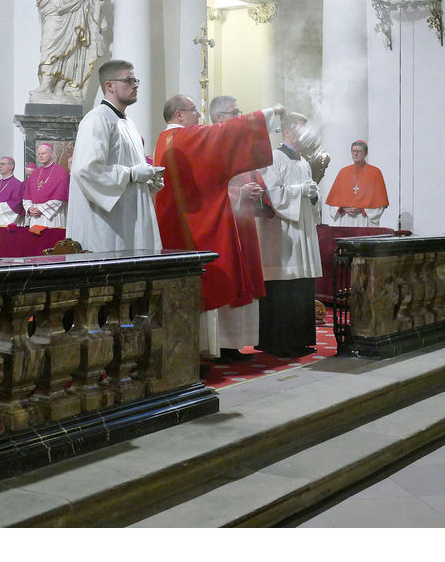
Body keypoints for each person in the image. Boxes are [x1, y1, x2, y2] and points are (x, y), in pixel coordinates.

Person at [154, 94, 285, 362]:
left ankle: (210, 349)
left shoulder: (166, 141)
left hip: (184, 224)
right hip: (197, 227)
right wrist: (267, 113)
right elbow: (222, 135)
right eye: (194, 112)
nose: (198, 117)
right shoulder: (182, 137)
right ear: (179, 115)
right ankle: (204, 351)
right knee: (209, 282)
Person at [66, 59, 163, 252]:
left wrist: (148, 182)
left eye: (136, 81)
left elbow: (131, 169)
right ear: (109, 85)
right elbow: (86, 170)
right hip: (106, 224)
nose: (135, 86)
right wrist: (132, 175)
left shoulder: (129, 124)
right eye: (129, 80)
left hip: (130, 217)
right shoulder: (96, 119)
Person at [255, 112, 324, 357]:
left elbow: (309, 198)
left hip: (302, 231)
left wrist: (314, 195)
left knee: (301, 284)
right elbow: (270, 195)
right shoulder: (274, 158)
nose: (305, 135)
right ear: (286, 132)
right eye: (300, 129)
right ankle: (278, 341)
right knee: (284, 286)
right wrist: (300, 190)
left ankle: (300, 339)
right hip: (282, 234)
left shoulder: (304, 161)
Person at [207, 95, 267, 362]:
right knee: (228, 279)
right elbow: (207, 189)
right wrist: (238, 195)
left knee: (247, 280)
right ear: (219, 118)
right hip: (224, 228)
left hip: (245, 225)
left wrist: (256, 192)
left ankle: (239, 342)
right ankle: (222, 344)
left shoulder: (241, 147)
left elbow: (255, 177)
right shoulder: (209, 147)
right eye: (235, 112)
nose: (239, 116)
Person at [21, 0, 109, 105]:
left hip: (74, 13)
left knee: (71, 53)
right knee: (49, 47)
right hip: (53, 12)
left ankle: (60, 88)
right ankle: (45, 87)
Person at [324, 140, 389, 227]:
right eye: (354, 151)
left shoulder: (375, 172)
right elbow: (334, 201)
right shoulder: (343, 172)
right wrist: (343, 208)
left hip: (365, 220)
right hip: (347, 219)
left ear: (366, 153)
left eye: (359, 151)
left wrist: (362, 210)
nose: (356, 154)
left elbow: (380, 204)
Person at [22, 143, 69, 228]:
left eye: (43, 153)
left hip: (52, 217)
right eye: (39, 154)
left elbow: (61, 198)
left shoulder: (61, 172)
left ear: (51, 154)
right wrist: (29, 208)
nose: (40, 156)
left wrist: (41, 209)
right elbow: (26, 197)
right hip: (35, 218)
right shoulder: (35, 173)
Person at [0, 156, 25, 228]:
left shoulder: (18, 184)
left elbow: (16, 203)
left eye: (3, 164)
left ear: (11, 166)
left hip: (6, 223)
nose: (0, 166)